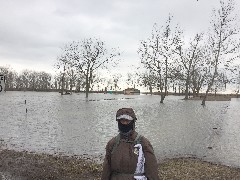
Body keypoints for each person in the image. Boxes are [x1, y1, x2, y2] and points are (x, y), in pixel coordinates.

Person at [101, 108, 160, 180]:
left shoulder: (143, 143)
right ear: (118, 122)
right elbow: (107, 168)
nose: (125, 123)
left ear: (133, 122)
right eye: (122, 121)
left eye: (127, 121)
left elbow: (151, 169)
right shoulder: (112, 143)